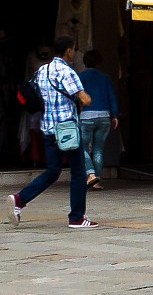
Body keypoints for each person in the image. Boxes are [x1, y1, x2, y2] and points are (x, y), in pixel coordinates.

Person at [10, 36, 92, 228]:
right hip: (68, 129)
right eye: (73, 49)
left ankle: (19, 199)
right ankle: (77, 217)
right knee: (79, 172)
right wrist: (86, 96)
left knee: (52, 171)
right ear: (68, 51)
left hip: (48, 128)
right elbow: (84, 99)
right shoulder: (67, 72)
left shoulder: (42, 70)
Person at [74, 52, 116, 187]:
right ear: (99, 62)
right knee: (98, 149)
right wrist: (114, 115)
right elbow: (112, 97)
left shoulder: (80, 77)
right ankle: (96, 179)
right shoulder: (105, 78)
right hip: (104, 115)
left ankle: (90, 173)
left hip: (86, 116)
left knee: (83, 148)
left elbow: (76, 97)